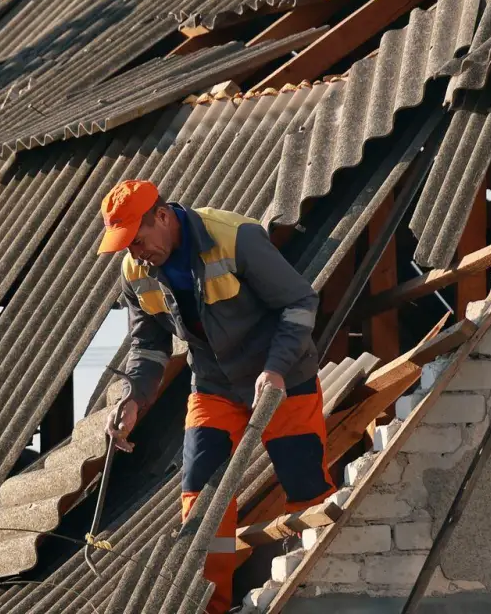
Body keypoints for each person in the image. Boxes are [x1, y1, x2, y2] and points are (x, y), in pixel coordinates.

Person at [97, 178, 335, 614]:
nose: (134, 252)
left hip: (284, 378)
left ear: (164, 216)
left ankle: (324, 595)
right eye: (124, 245)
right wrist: (132, 398)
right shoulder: (134, 272)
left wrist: (277, 368)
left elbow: (300, 302)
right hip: (213, 386)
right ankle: (212, 607)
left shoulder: (236, 238)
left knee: (306, 489)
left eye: (137, 239)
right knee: (203, 510)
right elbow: (147, 346)